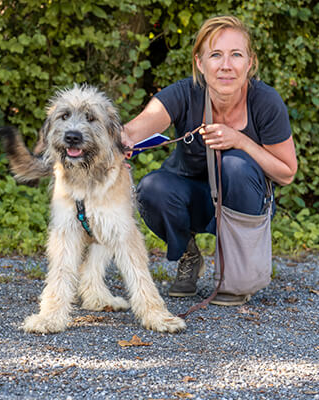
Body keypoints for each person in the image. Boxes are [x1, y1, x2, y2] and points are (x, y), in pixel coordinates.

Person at [121, 15, 297, 306]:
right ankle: (190, 255)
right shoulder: (184, 93)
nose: (226, 65)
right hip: (194, 201)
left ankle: (235, 271)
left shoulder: (265, 101)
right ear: (200, 63)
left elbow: (287, 173)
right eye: (215, 55)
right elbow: (134, 129)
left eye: (236, 55)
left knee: (235, 164)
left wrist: (240, 141)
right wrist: (117, 145)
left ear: (250, 62)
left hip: (245, 201)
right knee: (151, 188)